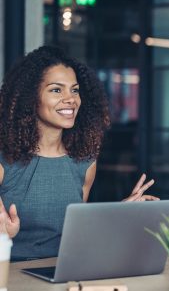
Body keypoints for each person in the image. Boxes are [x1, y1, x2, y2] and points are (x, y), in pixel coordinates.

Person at [0, 45, 157, 261]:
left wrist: (118, 213)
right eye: (56, 90)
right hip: (12, 277)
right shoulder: (4, 162)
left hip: (65, 272)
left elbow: (76, 234)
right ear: (30, 98)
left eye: (74, 90)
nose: (71, 99)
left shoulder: (84, 161)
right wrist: (3, 238)